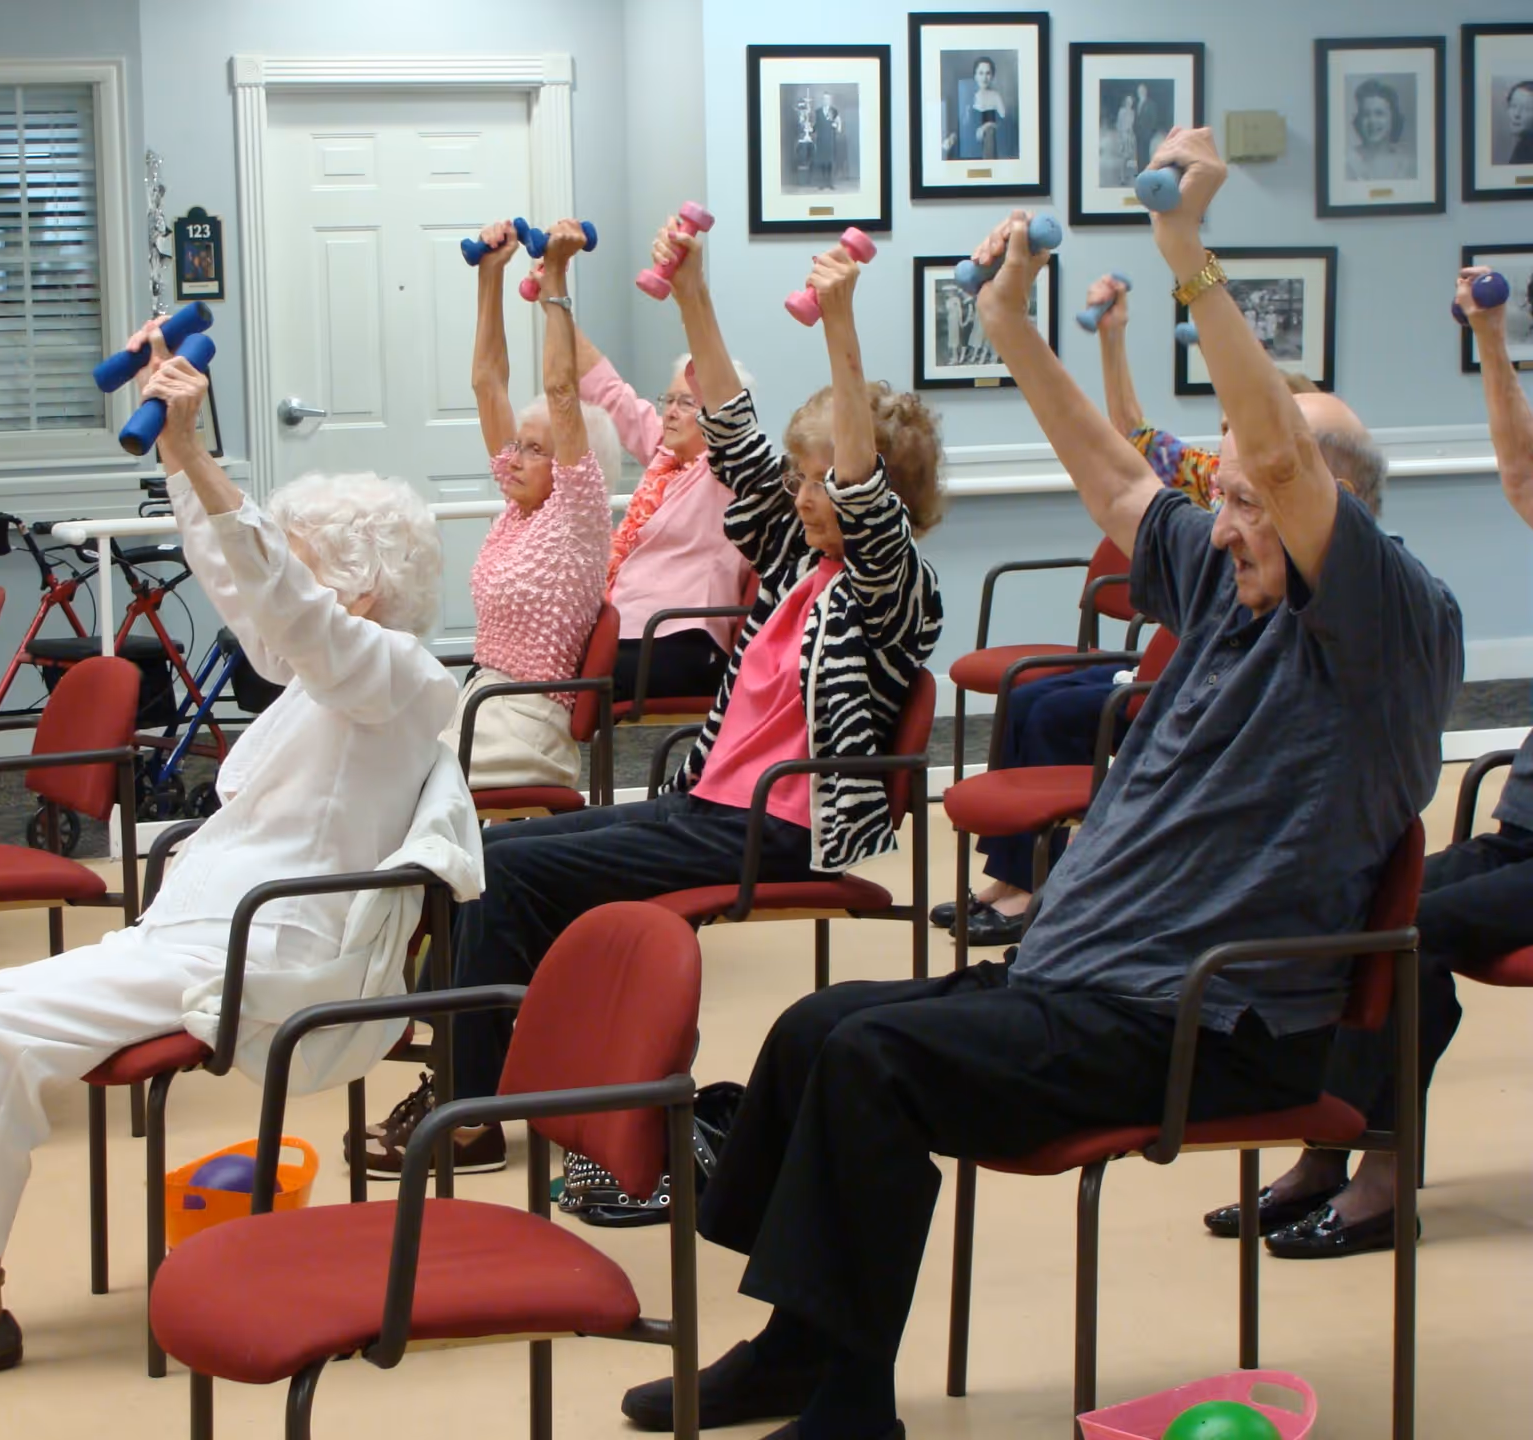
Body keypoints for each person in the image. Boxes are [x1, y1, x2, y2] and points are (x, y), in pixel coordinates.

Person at [618, 128, 1460, 1440]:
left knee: (874, 1064)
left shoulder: (1389, 621)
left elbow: (1284, 465)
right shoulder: (1231, 587)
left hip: (1203, 1028)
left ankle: (846, 1403)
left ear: (1326, 513)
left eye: (1244, 499)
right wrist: (1006, 324)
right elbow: (1120, 478)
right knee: (814, 1029)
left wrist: (1186, 258)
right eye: (1223, 498)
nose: (1218, 516)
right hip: (1090, 987)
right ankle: (799, 1344)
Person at [0, 323, 476, 1391]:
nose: (277, 586)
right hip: (200, 930)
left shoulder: (393, 677)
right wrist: (178, 461)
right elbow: (254, 593)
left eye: (304, 562)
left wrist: (199, 453)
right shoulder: (321, 675)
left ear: (363, 591)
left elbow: (278, 599)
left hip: (265, 953)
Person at [361, 213, 946, 1178]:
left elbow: (863, 496)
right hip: (713, 804)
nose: (805, 494)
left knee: (506, 873)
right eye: (802, 478)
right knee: (488, 851)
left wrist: (840, 331)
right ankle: (509, 1077)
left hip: (776, 824)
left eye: (823, 479)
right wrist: (693, 292)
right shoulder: (803, 564)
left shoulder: (895, 590)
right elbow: (740, 445)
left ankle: (471, 1109)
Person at [1200, 265, 1533, 1259]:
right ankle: (1326, 1148)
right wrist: (1490, 337)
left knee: (1408, 932)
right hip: (1521, 835)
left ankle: (1387, 1176)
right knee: (1361, 910)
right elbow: (1520, 470)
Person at [938, 274, 1330, 949]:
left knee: (1057, 713)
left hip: (1203, 675)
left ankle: (1037, 886)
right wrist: (1114, 339)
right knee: (1029, 701)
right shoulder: (1216, 475)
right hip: (1167, 658)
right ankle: (1012, 875)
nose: (1228, 439)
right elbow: (1132, 445)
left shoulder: (1316, 543)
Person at [439, 218, 615, 790]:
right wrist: (490, 278)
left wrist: (555, 283)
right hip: (483, 703)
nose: (512, 457)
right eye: (517, 443)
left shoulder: (578, 517)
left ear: (569, 464)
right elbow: (488, 385)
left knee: (387, 780)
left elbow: (563, 390)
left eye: (534, 449)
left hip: (529, 723)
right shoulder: (520, 509)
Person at [576, 332, 755, 705]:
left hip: (682, 638)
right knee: (544, 665)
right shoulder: (665, 456)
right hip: (623, 630)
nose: (671, 411)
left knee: (566, 683)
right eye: (669, 400)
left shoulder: (729, 473)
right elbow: (609, 392)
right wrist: (555, 302)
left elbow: (732, 422)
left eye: (687, 402)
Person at [1345, 78, 1411, 181]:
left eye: (1379, 113)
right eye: (1366, 114)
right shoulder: (1348, 162)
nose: (1372, 121)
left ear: (1393, 118)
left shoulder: (1406, 164)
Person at [966, 57, 1006, 160]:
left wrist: (985, 126)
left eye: (988, 73)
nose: (984, 78)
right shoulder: (970, 98)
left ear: (992, 76)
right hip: (972, 148)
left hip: (991, 147)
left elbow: (1004, 123)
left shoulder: (996, 96)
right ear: (975, 76)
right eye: (981, 73)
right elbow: (965, 126)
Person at [812, 91, 843, 190]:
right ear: (822, 100)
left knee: (830, 162)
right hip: (821, 140)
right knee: (822, 162)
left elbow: (838, 122)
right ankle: (822, 183)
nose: (826, 100)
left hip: (830, 140)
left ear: (830, 100)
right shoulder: (818, 111)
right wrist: (811, 130)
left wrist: (837, 127)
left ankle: (829, 183)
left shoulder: (834, 111)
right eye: (824, 99)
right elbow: (816, 125)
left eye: (828, 99)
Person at [1503, 79, 1533, 165]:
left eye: (1527, 108)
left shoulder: (1526, 150)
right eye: (1513, 106)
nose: (1516, 114)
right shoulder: (1523, 146)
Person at [1133, 82, 1163, 169]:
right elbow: (1136, 119)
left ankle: (1145, 171)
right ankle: (1139, 171)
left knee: (1145, 154)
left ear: (1145, 91)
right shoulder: (1137, 104)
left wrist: (1150, 133)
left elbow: (1154, 120)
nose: (1140, 92)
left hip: (1146, 134)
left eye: (1142, 90)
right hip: (1138, 134)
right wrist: (1134, 130)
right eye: (1139, 91)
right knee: (1138, 154)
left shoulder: (1151, 104)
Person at [1114, 93, 1139, 185]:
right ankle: (1122, 177)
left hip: (1131, 136)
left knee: (1130, 157)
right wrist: (1120, 137)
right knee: (1123, 158)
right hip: (1124, 136)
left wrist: (1133, 134)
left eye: (1131, 101)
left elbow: (1133, 125)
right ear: (1125, 102)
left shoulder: (1133, 112)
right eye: (1128, 101)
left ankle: (1127, 175)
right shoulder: (1122, 111)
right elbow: (1118, 124)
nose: (1130, 102)